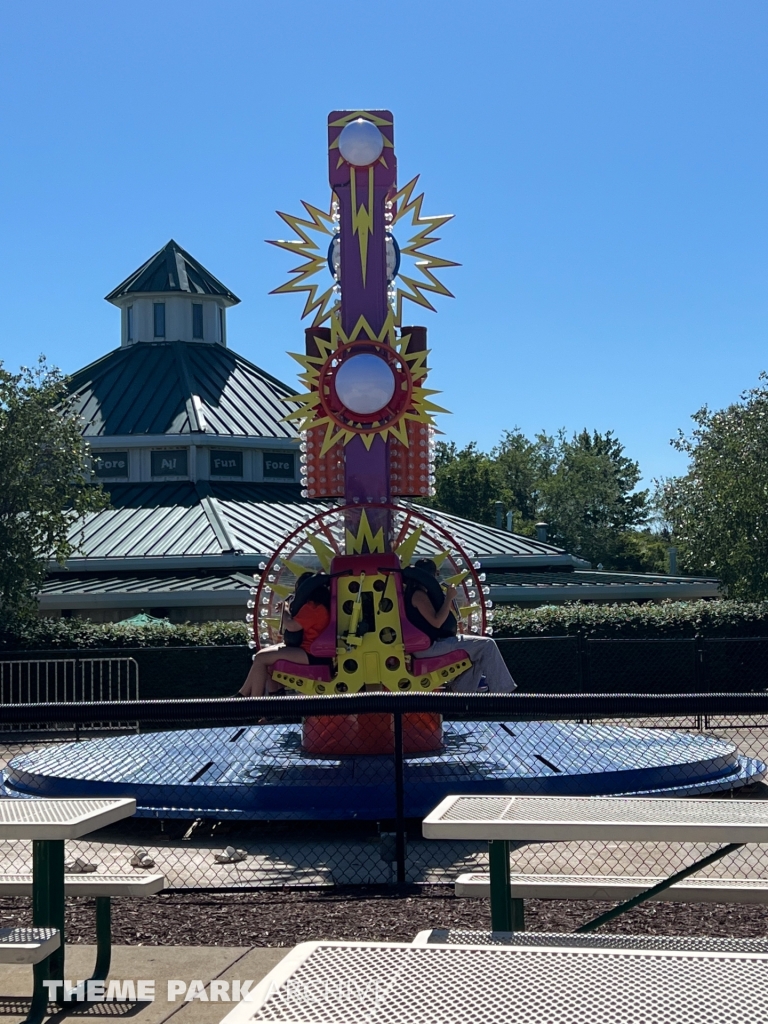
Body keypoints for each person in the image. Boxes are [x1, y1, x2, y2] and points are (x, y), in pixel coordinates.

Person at [404, 558, 516, 693]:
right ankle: (504, 693)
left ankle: (462, 695)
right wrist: (449, 598)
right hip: (429, 647)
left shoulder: (417, 593)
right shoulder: (418, 595)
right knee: (487, 644)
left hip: (430, 645)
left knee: (479, 653)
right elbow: (437, 621)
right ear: (433, 575)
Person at [236, 572, 331, 697]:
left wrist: (285, 610)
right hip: (310, 651)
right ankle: (260, 699)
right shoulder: (319, 606)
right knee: (264, 659)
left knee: (261, 659)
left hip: (311, 653)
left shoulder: (313, 607)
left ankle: (251, 703)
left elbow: (291, 626)